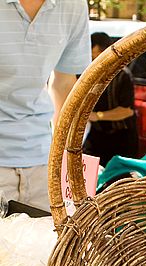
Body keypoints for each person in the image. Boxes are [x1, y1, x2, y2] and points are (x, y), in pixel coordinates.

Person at [0, 0, 91, 213]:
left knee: (46, 245)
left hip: (43, 164)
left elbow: (64, 83)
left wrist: (63, 155)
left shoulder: (73, 5)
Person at [83, 32, 140, 167]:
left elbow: (127, 111)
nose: (92, 58)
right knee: (93, 179)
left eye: (94, 53)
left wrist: (98, 116)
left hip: (121, 139)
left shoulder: (123, 75)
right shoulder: (88, 74)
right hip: (96, 136)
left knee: (120, 182)